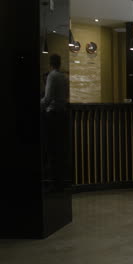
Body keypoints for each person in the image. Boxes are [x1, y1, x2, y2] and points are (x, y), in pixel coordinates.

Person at [40, 54, 70, 184]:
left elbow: (47, 98)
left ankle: (53, 180)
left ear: (50, 63)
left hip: (52, 115)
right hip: (62, 115)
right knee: (60, 149)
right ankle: (61, 179)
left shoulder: (52, 76)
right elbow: (67, 95)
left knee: (51, 148)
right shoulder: (64, 77)